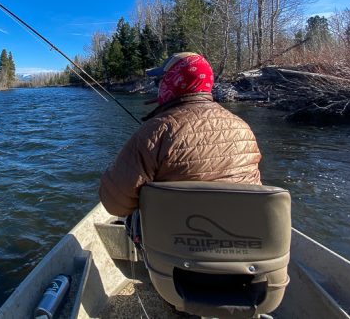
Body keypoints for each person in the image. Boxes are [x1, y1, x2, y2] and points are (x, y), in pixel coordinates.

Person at [99, 52, 262, 217]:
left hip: (171, 240)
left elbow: (115, 205)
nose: (159, 86)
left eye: (160, 80)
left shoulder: (155, 131)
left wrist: (113, 172)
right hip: (241, 235)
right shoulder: (243, 127)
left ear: (174, 81)